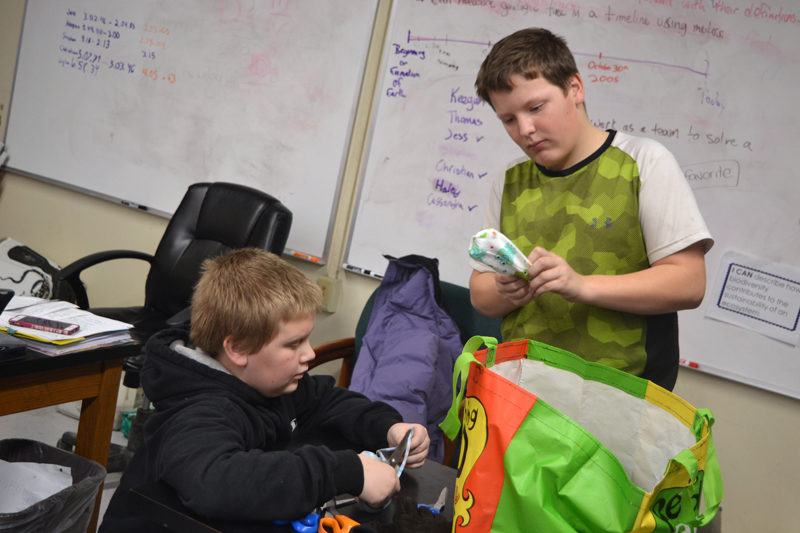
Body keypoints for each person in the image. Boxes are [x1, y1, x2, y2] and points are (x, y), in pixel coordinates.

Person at [100, 248, 429, 531]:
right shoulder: (196, 410)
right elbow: (216, 483)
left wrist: (389, 428)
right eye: (294, 344)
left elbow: (328, 401)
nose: (310, 354)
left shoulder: (273, 385)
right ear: (238, 350)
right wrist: (346, 471)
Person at [468, 28, 713, 390]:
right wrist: (506, 292)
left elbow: (689, 283)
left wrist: (582, 286)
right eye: (509, 120)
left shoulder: (644, 162)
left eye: (536, 108)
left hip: (622, 397)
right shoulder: (508, 181)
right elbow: (480, 292)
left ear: (575, 89)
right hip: (522, 394)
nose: (526, 130)